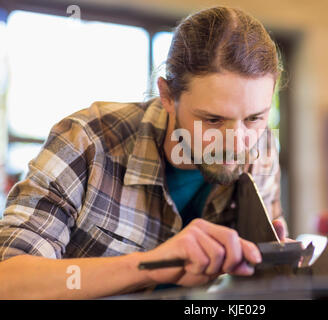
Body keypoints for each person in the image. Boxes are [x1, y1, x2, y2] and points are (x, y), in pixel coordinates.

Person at [0, 6, 290, 299]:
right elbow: (8, 281)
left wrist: (273, 264)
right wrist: (150, 266)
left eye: (254, 118)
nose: (237, 144)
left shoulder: (262, 150)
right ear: (167, 96)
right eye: (213, 120)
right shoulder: (86, 141)